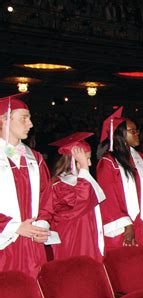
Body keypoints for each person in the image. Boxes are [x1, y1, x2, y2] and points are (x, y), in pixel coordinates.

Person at [0, 94, 56, 277]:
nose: (30, 124)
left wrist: (42, 224)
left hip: (32, 244)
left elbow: (46, 197)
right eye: (24, 118)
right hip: (4, 244)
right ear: (4, 120)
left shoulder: (35, 158)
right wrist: (14, 227)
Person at [97, 107, 143, 250]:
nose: (137, 134)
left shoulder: (140, 157)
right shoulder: (108, 162)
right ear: (120, 135)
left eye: (137, 130)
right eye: (133, 131)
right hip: (125, 225)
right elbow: (109, 198)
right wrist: (126, 224)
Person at [49, 132, 105, 261]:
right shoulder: (59, 185)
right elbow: (79, 202)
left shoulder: (81, 181)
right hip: (73, 239)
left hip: (88, 236)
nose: (90, 164)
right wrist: (84, 169)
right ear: (73, 161)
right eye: (86, 159)